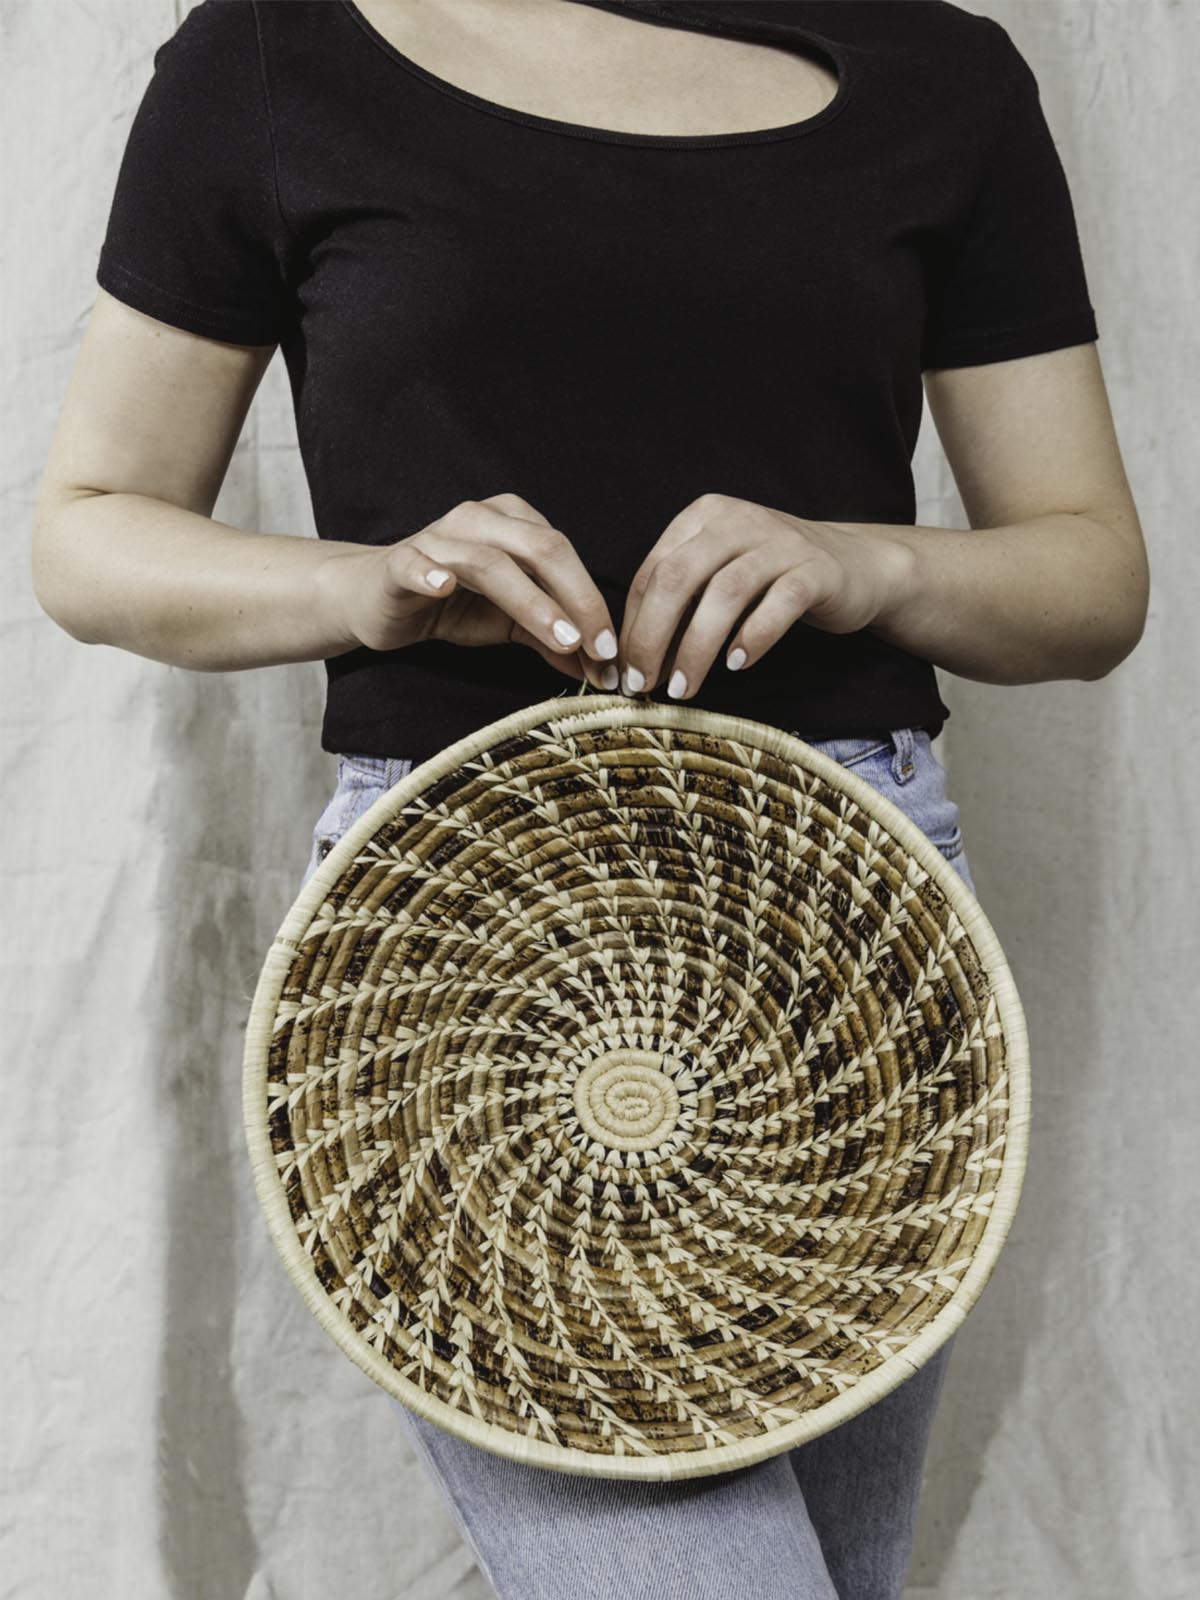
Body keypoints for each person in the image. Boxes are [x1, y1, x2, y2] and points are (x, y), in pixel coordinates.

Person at [32, 2, 1147, 1595]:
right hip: (454, 959)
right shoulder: (277, 56)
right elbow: (88, 526)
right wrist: (372, 587)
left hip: (856, 965)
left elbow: (1089, 578)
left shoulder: (941, 71)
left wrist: (868, 557)